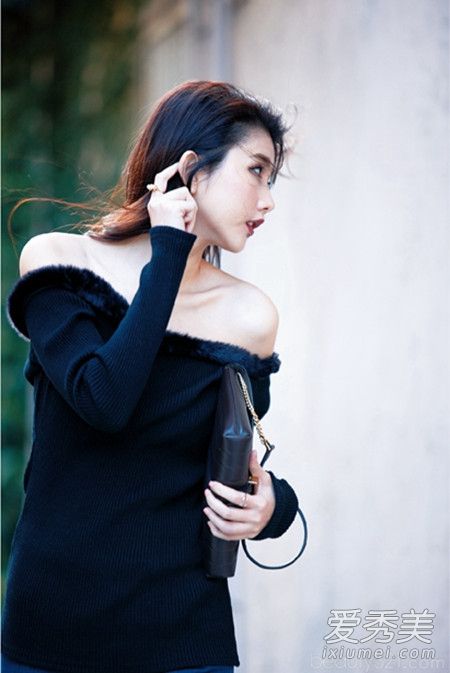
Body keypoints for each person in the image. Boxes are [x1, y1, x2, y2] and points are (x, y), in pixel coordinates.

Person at [2, 80, 299, 673]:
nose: (267, 201)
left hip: (183, 638)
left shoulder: (250, 316)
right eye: (256, 171)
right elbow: (103, 401)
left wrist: (274, 507)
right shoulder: (59, 262)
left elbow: (232, 460)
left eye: (272, 180)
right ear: (190, 169)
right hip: (52, 634)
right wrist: (168, 257)